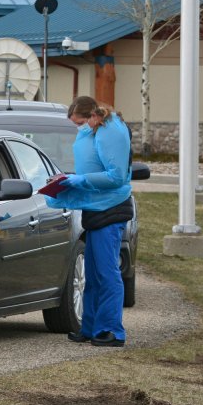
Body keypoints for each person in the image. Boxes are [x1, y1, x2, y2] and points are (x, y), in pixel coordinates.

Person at [44, 95, 133, 348]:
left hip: (110, 209)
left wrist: (77, 181)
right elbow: (91, 169)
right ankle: (91, 326)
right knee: (93, 275)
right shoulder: (96, 130)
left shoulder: (110, 131)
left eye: (81, 122)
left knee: (107, 273)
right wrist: (69, 179)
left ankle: (112, 331)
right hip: (95, 209)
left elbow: (115, 176)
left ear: (93, 116)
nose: (80, 128)